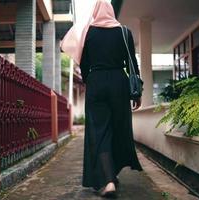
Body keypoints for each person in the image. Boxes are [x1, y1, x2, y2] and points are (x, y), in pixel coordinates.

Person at [61, 0, 143, 197]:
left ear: (95, 12)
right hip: (119, 83)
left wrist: (93, 83)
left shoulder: (88, 33)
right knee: (117, 128)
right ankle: (111, 175)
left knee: (100, 132)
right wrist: (136, 92)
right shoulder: (124, 32)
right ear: (111, 12)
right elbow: (132, 62)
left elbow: (84, 65)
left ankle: (108, 181)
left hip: (96, 83)